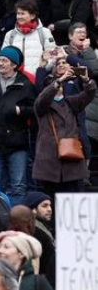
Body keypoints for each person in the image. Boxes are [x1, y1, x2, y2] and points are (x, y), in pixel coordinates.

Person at [0, 46, 36, 203]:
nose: (0, 63)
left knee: (18, 185)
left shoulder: (25, 85)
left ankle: (16, 217)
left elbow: (35, 109)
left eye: (5, 61)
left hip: (17, 142)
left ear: (14, 65)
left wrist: (20, 110)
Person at [33, 63, 96, 194]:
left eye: (60, 85)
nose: (58, 88)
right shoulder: (41, 105)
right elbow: (43, 98)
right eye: (52, 86)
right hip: (50, 163)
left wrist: (86, 80)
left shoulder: (70, 102)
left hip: (72, 162)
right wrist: (59, 80)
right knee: (52, 202)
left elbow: (89, 94)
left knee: (73, 201)